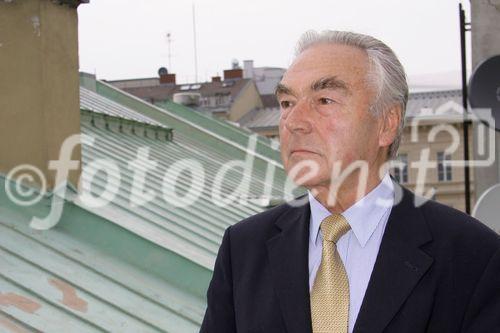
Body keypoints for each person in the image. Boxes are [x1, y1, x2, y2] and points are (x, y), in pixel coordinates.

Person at [200, 30, 500, 333]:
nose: (293, 121)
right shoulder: (243, 250)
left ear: (386, 123)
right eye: (287, 102)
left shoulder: (474, 258)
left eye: (324, 100)